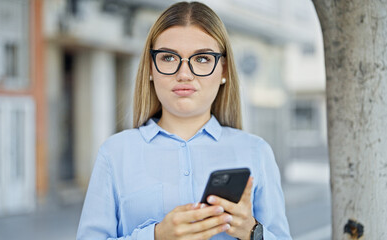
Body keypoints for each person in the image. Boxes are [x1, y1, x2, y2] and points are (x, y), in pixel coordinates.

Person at [76, 1, 291, 240]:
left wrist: (252, 231)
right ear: (150, 67)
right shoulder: (115, 154)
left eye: (201, 59)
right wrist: (156, 236)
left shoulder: (256, 152)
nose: (184, 74)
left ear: (224, 71)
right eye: (168, 57)